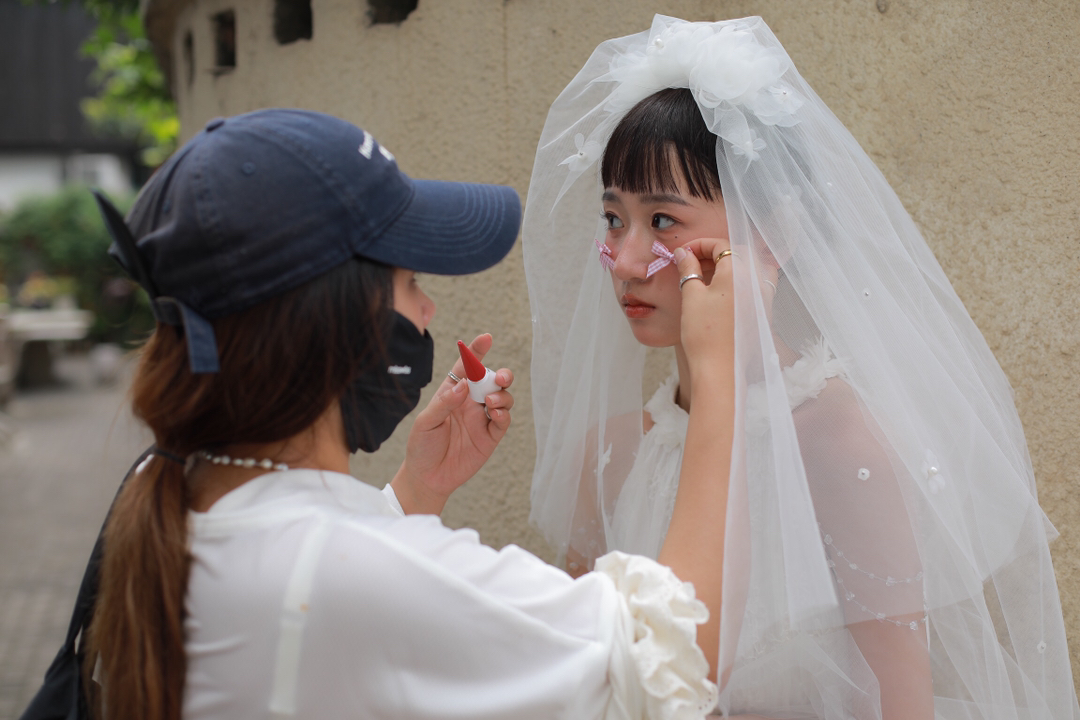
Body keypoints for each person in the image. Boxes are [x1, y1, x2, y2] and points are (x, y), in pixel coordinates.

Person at [62, 107, 738, 720]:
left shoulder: (178, 496)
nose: (427, 309)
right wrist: (717, 375)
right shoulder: (351, 574)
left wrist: (416, 491)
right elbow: (663, 662)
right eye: (410, 281)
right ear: (334, 318)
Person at [523, 15, 1079, 720]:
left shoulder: (836, 441)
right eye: (613, 219)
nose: (627, 262)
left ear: (773, 233)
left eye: (662, 220)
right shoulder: (610, 454)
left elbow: (901, 701)